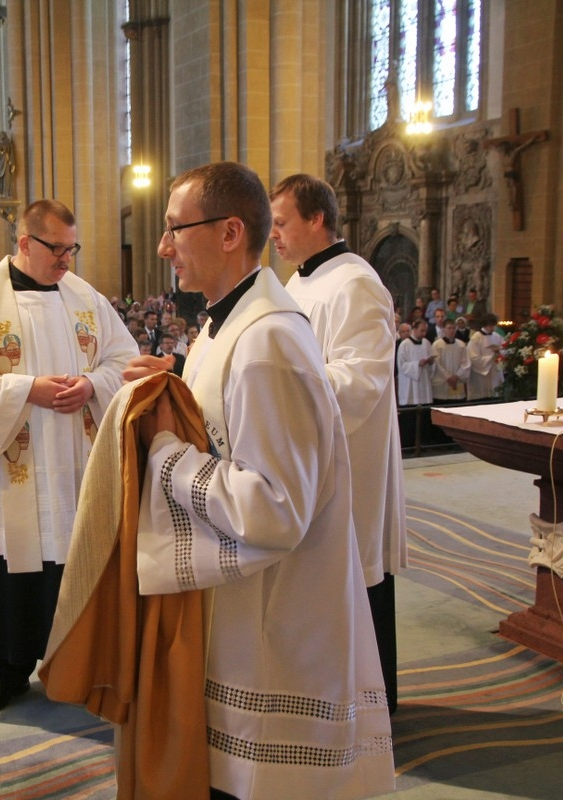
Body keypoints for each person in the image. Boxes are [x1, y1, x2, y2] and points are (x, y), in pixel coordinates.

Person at [123, 162, 394, 799]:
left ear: (229, 233)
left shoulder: (268, 339)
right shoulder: (225, 324)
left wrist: (165, 453)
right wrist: (174, 387)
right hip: (239, 612)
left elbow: (274, 509)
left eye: (174, 229)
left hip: (277, 625)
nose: (162, 247)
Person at [0, 199, 136, 716]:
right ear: (25, 243)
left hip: (74, 463)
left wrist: (91, 385)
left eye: (72, 248)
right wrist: (29, 389)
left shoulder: (85, 298)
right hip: (13, 467)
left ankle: (79, 666)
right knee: (14, 567)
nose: (66, 260)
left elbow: (124, 359)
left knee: (73, 562)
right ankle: (9, 670)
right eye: (57, 249)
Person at [269, 172, 408, 713]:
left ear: (317, 219)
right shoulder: (298, 283)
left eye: (281, 222)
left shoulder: (355, 283)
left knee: (353, 580)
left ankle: (372, 706)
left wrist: (279, 383)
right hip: (310, 457)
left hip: (348, 463)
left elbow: (361, 379)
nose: (273, 234)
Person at [397, 319, 436, 405]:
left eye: (425, 331)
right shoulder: (405, 345)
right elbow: (401, 365)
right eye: (421, 331)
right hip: (409, 385)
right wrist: (417, 364)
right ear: (414, 330)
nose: (424, 333)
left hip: (425, 382)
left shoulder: (426, 343)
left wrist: (431, 363)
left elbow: (432, 364)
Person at [467, 312, 505, 400]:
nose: (493, 328)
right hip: (481, 375)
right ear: (485, 325)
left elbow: (504, 348)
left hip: (495, 372)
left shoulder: (497, 336)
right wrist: (491, 357)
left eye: (494, 326)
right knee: (482, 398)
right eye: (491, 326)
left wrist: (499, 351)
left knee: (496, 396)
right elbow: (473, 358)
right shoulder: (476, 338)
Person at [431, 319, 471, 403]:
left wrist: (457, 376)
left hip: (457, 383)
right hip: (442, 385)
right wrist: (448, 377)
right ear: (444, 329)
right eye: (449, 328)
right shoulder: (437, 345)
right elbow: (436, 363)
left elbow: (466, 363)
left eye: (453, 328)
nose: (452, 330)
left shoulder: (461, 345)